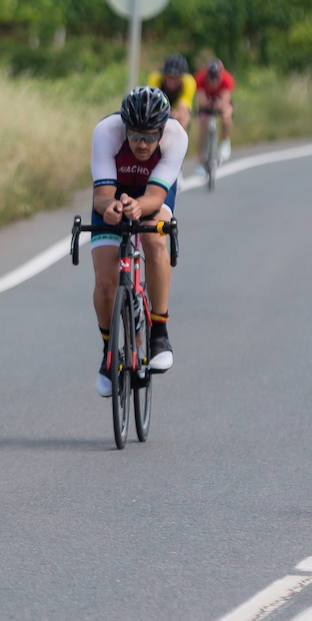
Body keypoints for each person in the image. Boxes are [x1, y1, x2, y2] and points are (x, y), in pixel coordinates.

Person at [88, 87, 187, 396]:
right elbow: (102, 196)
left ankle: (159, 330)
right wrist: (113, 209)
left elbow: (156, 196)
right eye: (135, 136)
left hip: (152, 192)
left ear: (161, 130)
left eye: (149, 137)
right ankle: (109, 353)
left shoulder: (176, 136)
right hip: (113, 193)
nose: (142, 144)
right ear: (125, 129)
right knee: (105, 283)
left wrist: (136, 208)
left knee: (154, 239)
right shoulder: (106, 131)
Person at [193, 59, 235, 167]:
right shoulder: (199, 78)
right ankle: (201, 161)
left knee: (226, 115)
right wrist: (207, 104)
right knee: (202, 124)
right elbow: (201, 101)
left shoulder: (227, 79)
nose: (213, 82)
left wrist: (219, 104)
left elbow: (225, 100)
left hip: (220, 100)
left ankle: (225, 141)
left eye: (216, 78)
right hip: (206, 101)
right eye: (210, 78)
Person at [147, 54, 196, 134]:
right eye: (169, 76)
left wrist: (177, 114)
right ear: (164, 74)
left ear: (182, 76)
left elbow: (183, 106)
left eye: (176, 77)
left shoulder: (188, 82)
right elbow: (153, 104)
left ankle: (179, 142)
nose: (172, 80)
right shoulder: (155, 79)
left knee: (184, 117)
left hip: (177, 104)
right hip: (160, 102)